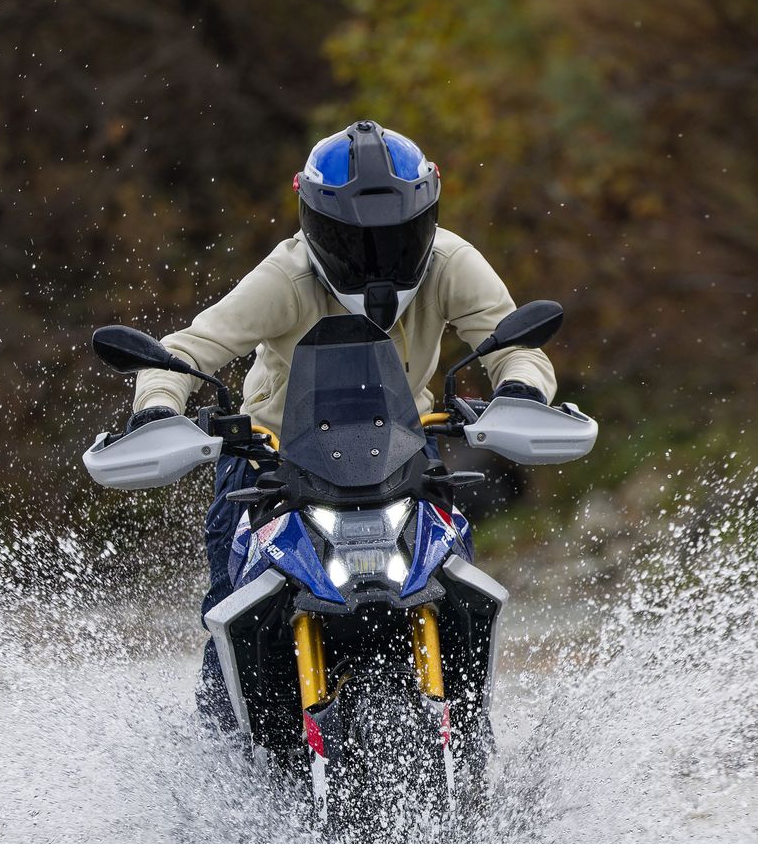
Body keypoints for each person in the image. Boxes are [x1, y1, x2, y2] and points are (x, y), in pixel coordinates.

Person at [125, 119, 557, 729]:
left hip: (405, 455)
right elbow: (190, 350)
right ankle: (218, 766)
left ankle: (470, 741)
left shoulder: (453, 262)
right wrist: (158, 408)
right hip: (272, 459)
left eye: (395, 239)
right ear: (315, 225)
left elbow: (517, 345)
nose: (376, 259)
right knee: (229, 614)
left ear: (426, 221)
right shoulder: (288, 275)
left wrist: (519, 390)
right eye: (356, 242)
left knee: (456, 585)